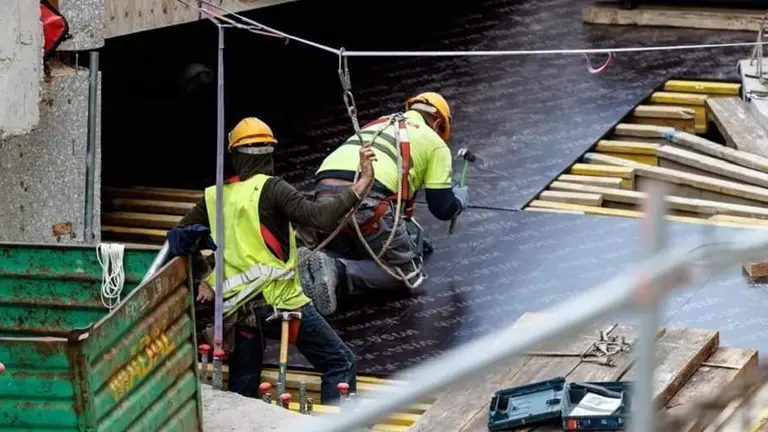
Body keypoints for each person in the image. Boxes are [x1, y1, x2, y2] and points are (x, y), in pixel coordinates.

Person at [173, 116, 377, 404]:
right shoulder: (272, 188)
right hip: (280, 305)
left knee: (242, 394)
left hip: (238, 312)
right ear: (270, 153)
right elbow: (320, 217)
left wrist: (203, 277)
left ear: (235, 155)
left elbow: (179, 237)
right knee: (340, 362)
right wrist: (362, 183)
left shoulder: (215, 197)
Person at [300, 92, 469, 316]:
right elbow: (441, 207)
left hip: (323, 192)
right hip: (369, 200)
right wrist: (459, 201)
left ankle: (315, 266)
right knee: (406, 275)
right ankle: (339, 272)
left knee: (351, 235)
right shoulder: (434, 142)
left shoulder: (380, 123)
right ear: (438, 123)